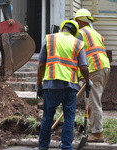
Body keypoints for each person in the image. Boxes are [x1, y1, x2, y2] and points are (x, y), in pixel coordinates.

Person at [37, 20, 90, 150]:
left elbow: (40, 64)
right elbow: (83, 67)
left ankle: (43, 147)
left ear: (62, 28)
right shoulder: (78, 43)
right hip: (70, 86)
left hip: (51, 85)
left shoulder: (49, 39)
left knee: (47, 118)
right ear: (75, 32)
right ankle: (66, 147)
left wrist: (39, 85)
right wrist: (88, 82)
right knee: (69, 119)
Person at [74, 8, 110, 142]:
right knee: (90, 100)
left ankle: (98, 133)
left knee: (94, 101)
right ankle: (93, 127)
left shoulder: (80, 33)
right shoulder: (95, 33)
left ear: (79, 21)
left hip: (94, 68)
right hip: (103, 67)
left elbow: (76, 53)